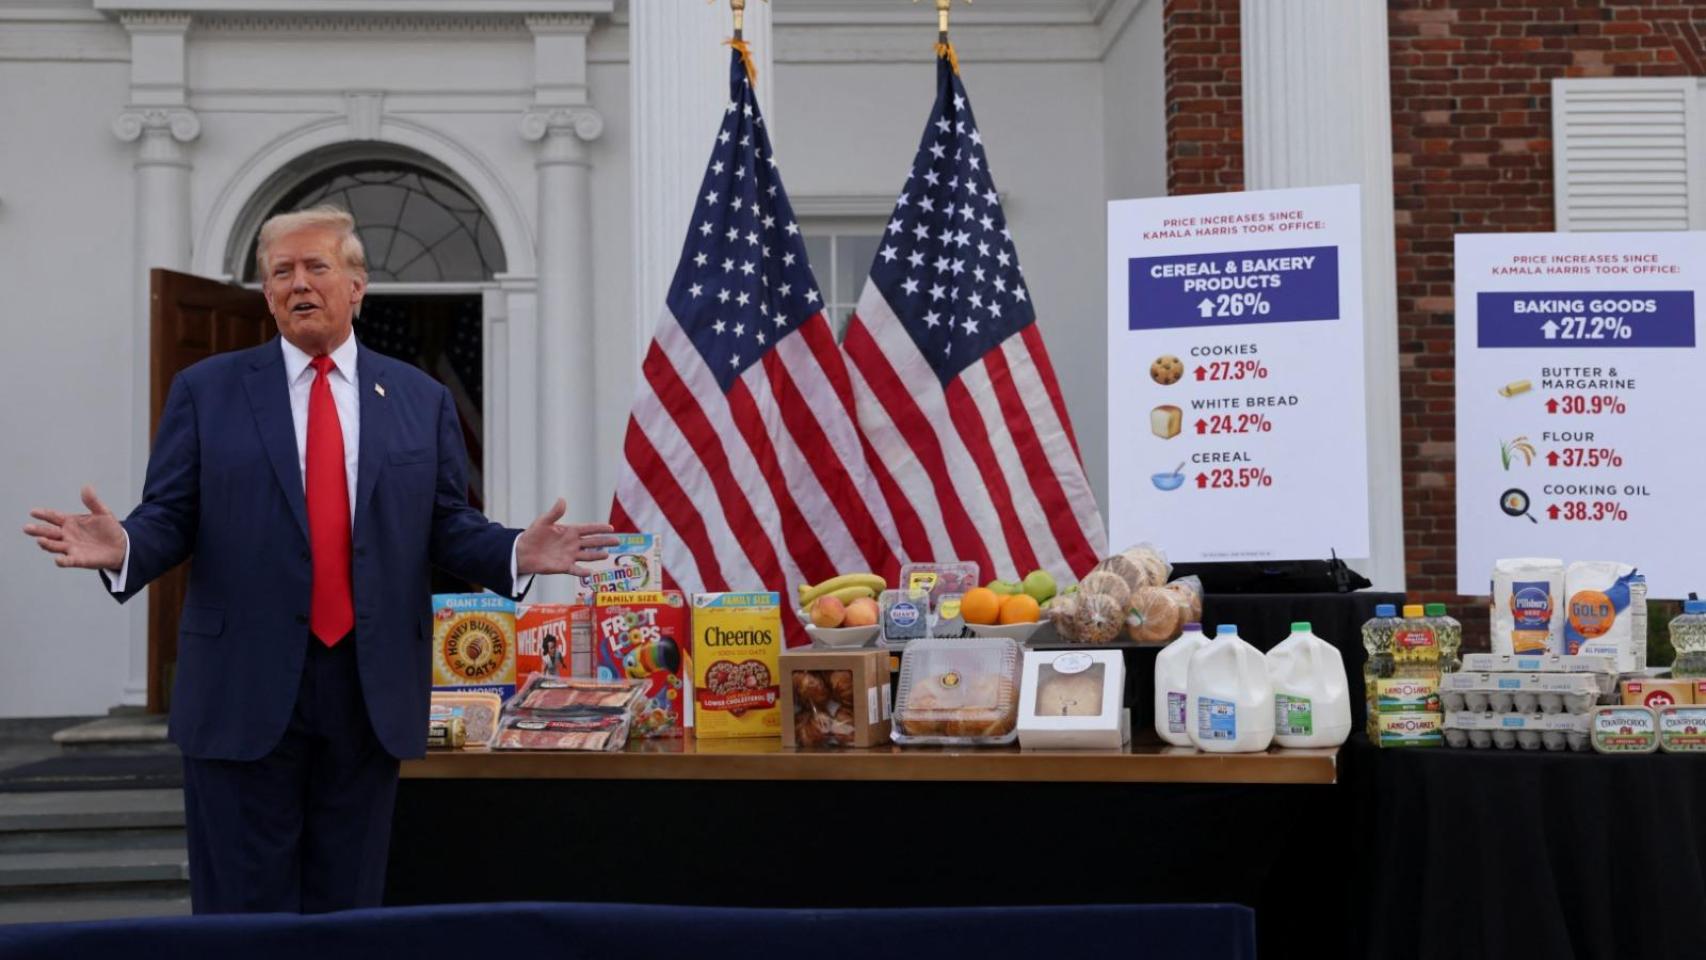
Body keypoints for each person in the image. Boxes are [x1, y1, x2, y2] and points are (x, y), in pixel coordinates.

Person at [22, 205, 618, 914]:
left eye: (316, 267)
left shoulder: (419, 401)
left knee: (350, 911)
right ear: (267, 292)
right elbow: (170, 516)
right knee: (243, 915)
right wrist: (124, 546)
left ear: (357, 285)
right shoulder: (207, 391)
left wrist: (518, 548)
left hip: (368, 693)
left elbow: (445, 525)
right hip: (241, 690)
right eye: (281, 271)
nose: (298, 283)